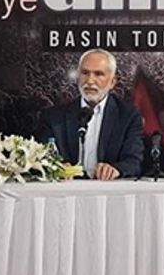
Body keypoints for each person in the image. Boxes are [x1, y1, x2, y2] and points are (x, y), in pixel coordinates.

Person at [37, 49, 143, 179]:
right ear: (77, 78)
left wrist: (116, 169)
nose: (90, 81)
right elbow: (42, 158)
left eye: (98, 74)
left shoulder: (128, 116)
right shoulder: (53, 117)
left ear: (112, 82)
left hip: (107, 188)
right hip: (67, 188)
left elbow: (133, 162)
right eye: (85, 73)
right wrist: (56, 167)